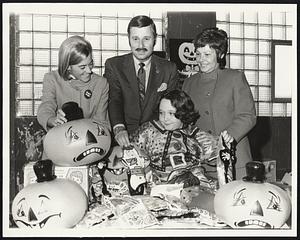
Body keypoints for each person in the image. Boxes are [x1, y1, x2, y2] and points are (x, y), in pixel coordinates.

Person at [121, 90, 234, 191]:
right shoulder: (148, 131)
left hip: (194, 187)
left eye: (171, 113)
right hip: (157, 187)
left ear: (183, 113)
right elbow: (131, 152)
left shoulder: (196, 135)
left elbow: (218, 160)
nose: (165, 118)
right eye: (161, 113)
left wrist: (222, 143)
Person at [182, 27, 256, 179]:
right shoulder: (188, 83)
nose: (201, 59)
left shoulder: (235, 78)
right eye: (198, 54)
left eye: (207, 54)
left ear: (221, 54)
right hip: (201, 163)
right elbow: (185, 121)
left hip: (234, 160)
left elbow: (247, 116)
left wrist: (221, 140)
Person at [104, 15, 179, 148]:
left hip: (157, 139)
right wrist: (119, 129)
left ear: (155, 39)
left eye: (146, 39)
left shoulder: (169, 69)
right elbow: (114, 99)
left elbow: (171, 107)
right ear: (129, 39)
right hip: (122, 138)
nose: (141, 45)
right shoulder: (114, 65)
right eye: (135, 39)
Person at [37, 35, 109, 131]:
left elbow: (101, 121)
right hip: (60, 137)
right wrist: (52, 120)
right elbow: (46, 105)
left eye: (90, 64)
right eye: (82, 67)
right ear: (68, 66)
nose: (88, 70)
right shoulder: (52, 79)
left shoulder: (101, 84)